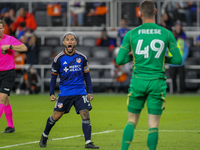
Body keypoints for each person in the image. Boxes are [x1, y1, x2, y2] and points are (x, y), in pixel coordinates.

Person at [116, 1, 182, 150]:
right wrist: (162, 58)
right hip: (156, 82)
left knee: (131, 120)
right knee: (153, 125)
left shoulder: (131, 34)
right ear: (156, 11)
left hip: (138, 81)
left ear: (139, 13)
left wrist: (134, 57)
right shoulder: (166, 33)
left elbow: (119, 60)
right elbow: (178, 60)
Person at [39, 32, 99, 149]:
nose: (70, 41)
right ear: (64, 43)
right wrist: (52, 93)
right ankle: (45, 135)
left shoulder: (82, 58)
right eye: (67, 40)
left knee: (85, 114)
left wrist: (89, 91)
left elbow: (87, 75)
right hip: (65, 92)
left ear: (75, 42)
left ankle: (88, 142)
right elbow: (53, 76)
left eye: (72, 39)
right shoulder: (59, 59)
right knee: (56, 116)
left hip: (80, 91)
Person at [0, 19, 27, 133]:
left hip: (8, 73)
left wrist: (10, 46)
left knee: (1, 98)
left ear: (4, 28)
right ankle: (11, 127)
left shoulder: (9, 39)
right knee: (5, 100)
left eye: (0, 27)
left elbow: (24, 48)